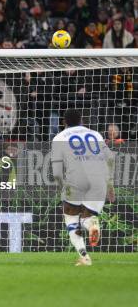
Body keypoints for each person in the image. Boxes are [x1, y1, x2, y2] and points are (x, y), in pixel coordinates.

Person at [51, 109, 115, 266]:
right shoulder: (95, 134)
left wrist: (62, 187)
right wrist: (110, 184)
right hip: (99, 180)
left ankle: (84, 257)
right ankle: (91, 224)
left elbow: (57, 172)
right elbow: (111, 158)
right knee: (87, 217)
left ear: (64, 122)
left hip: (76, 179)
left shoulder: (59, 138)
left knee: (71, 218)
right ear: (82, 121)